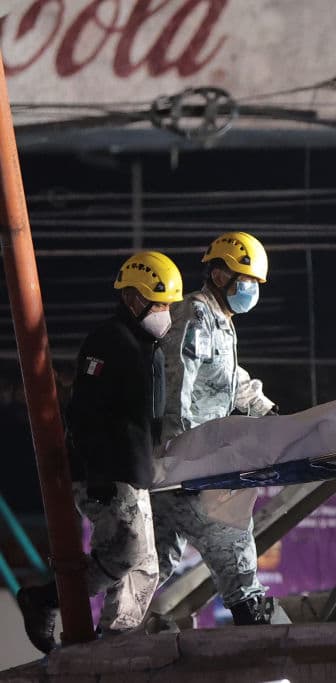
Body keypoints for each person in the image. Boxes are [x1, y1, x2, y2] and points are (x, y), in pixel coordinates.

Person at [17, 251, 183, 652]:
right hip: (106, 474)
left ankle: (118, 640)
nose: (165, 312)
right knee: (126, 553)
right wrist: (99, 475)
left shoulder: (150, 350)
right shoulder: (109, 341)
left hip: (134, 473)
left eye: (167, 305)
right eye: (158, 303)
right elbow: (85, 411)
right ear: (131, 299)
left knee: (145, 566)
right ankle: (45, 599)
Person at [151, 231, 278, 626]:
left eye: (256, 283)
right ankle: (249, 613)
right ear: (219, 273)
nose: (251, 289)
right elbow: (177, 385)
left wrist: (268, 412)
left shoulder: (222, 322)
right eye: (246, 280)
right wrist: (182, 455)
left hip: (192, 460)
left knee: (152, 560)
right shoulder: (195, 315)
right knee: (229, 530)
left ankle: (104, 628)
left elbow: (229, 379)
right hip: (186, 460)